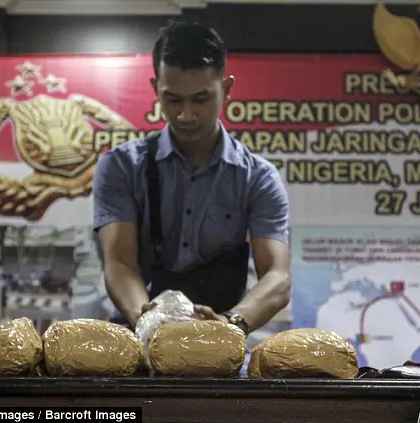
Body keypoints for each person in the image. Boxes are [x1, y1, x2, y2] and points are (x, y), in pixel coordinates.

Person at [93, 20, 291, 339]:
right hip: (138, 336)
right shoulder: (121, 168)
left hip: (220, 338)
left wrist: (232, 324)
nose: (186, 115)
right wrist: (149, 324)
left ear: (225, 89)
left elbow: (278, 277)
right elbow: (119, 263)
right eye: (173, 99)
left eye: (200, 99)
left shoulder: (258, 178)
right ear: (155, 88)